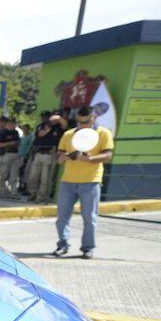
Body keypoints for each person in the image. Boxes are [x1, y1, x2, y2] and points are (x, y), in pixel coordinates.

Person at [53, 106, 114, 259]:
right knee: (62, 217)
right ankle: (63, 245)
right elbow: (59, 156)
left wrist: (90, 159)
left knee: (89, 218)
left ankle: (88, 248)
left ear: (93, 117)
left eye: (85, 122)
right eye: (79, 122)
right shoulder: (68, 134)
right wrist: (62, 158)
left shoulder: (103, 133)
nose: (81, 126)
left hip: (91, 181)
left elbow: (107, 155)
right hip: (68, 181)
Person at [28, 111, 66, 204]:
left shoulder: (59, 128)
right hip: (39, 152)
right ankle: (33, 193)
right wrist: (49, 124)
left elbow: (65, 125)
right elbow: (41, 134)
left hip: (50, 153)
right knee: (33, 176)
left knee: (46, 178)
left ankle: (41, 197)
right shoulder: (42, 126)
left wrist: (59, 119)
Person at [0, 117, 21, 198]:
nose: (12, 125)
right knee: (3, 174)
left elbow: (18, 143)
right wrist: (9, 143)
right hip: (6, 154)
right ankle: (2, 192)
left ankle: (14, 193)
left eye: (13, 123)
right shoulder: (4, 133)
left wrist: (16, 143)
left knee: (14, 175)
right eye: (10, 123)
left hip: (15, 154)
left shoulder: (16, 132)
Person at [17, 124, 34, 195]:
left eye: (25, 128)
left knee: (26, 172)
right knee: (20, 172)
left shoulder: (30, 137)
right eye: (23, 128)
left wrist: (27, 155)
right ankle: (21, 185)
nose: (24, 129)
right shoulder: (21, 137)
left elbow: (30, 146)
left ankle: (27, 187)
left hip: (25, 156)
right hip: (19, 156)